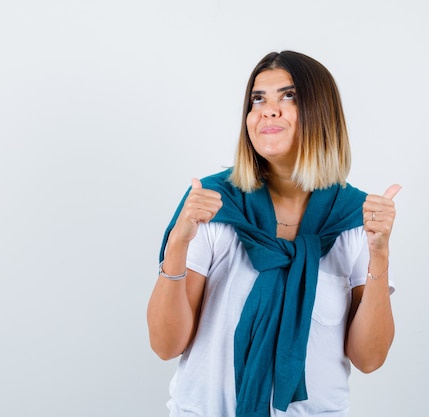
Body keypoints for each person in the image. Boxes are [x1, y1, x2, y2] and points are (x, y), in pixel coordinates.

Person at [147, 50, 401, 417]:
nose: (269, 109)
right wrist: (177, 246)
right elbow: (166, 345)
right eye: (258, 99)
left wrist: (380, 256)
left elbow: (370, 358)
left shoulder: (355, 219)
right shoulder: (213, 207)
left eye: (289, 96)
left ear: (322, 112)